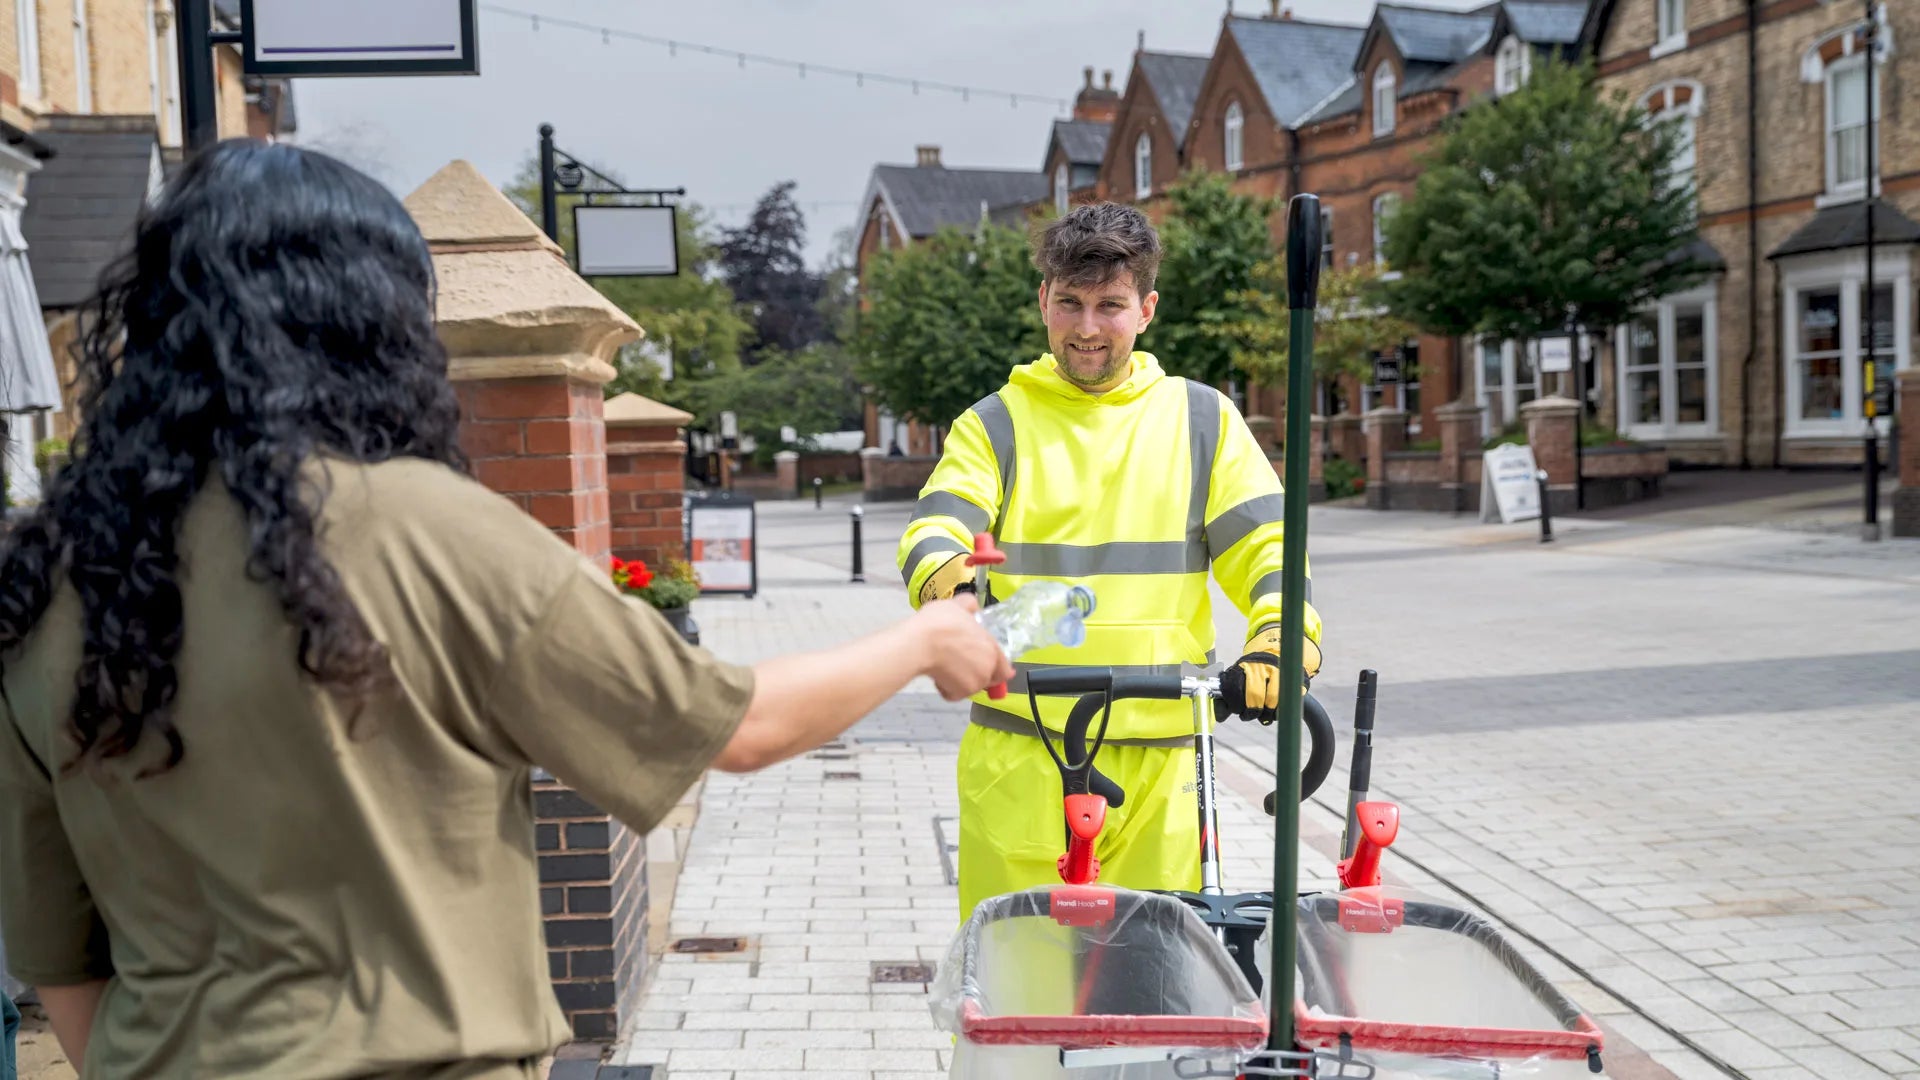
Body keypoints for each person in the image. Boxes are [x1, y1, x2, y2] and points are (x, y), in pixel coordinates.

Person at [0, 140, 1012, 1080]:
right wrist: (927, 638)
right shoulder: (430, 534)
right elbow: (737, 726)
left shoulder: (50, 582)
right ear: (372, 322)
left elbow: (63, 966)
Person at [897, 202, 1323, 921]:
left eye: (1110, 306)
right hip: (1024, 753)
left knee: (1154, 997)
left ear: (1146, 309)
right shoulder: (995, 424)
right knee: (1016, 997)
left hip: (1166, 760)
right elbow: (937, 525)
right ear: (1043, 302)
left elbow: (1269, 547)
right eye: (1070, 303)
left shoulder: (1202, 421)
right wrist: (951, 583)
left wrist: (1279, 641)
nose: (1087, 328)